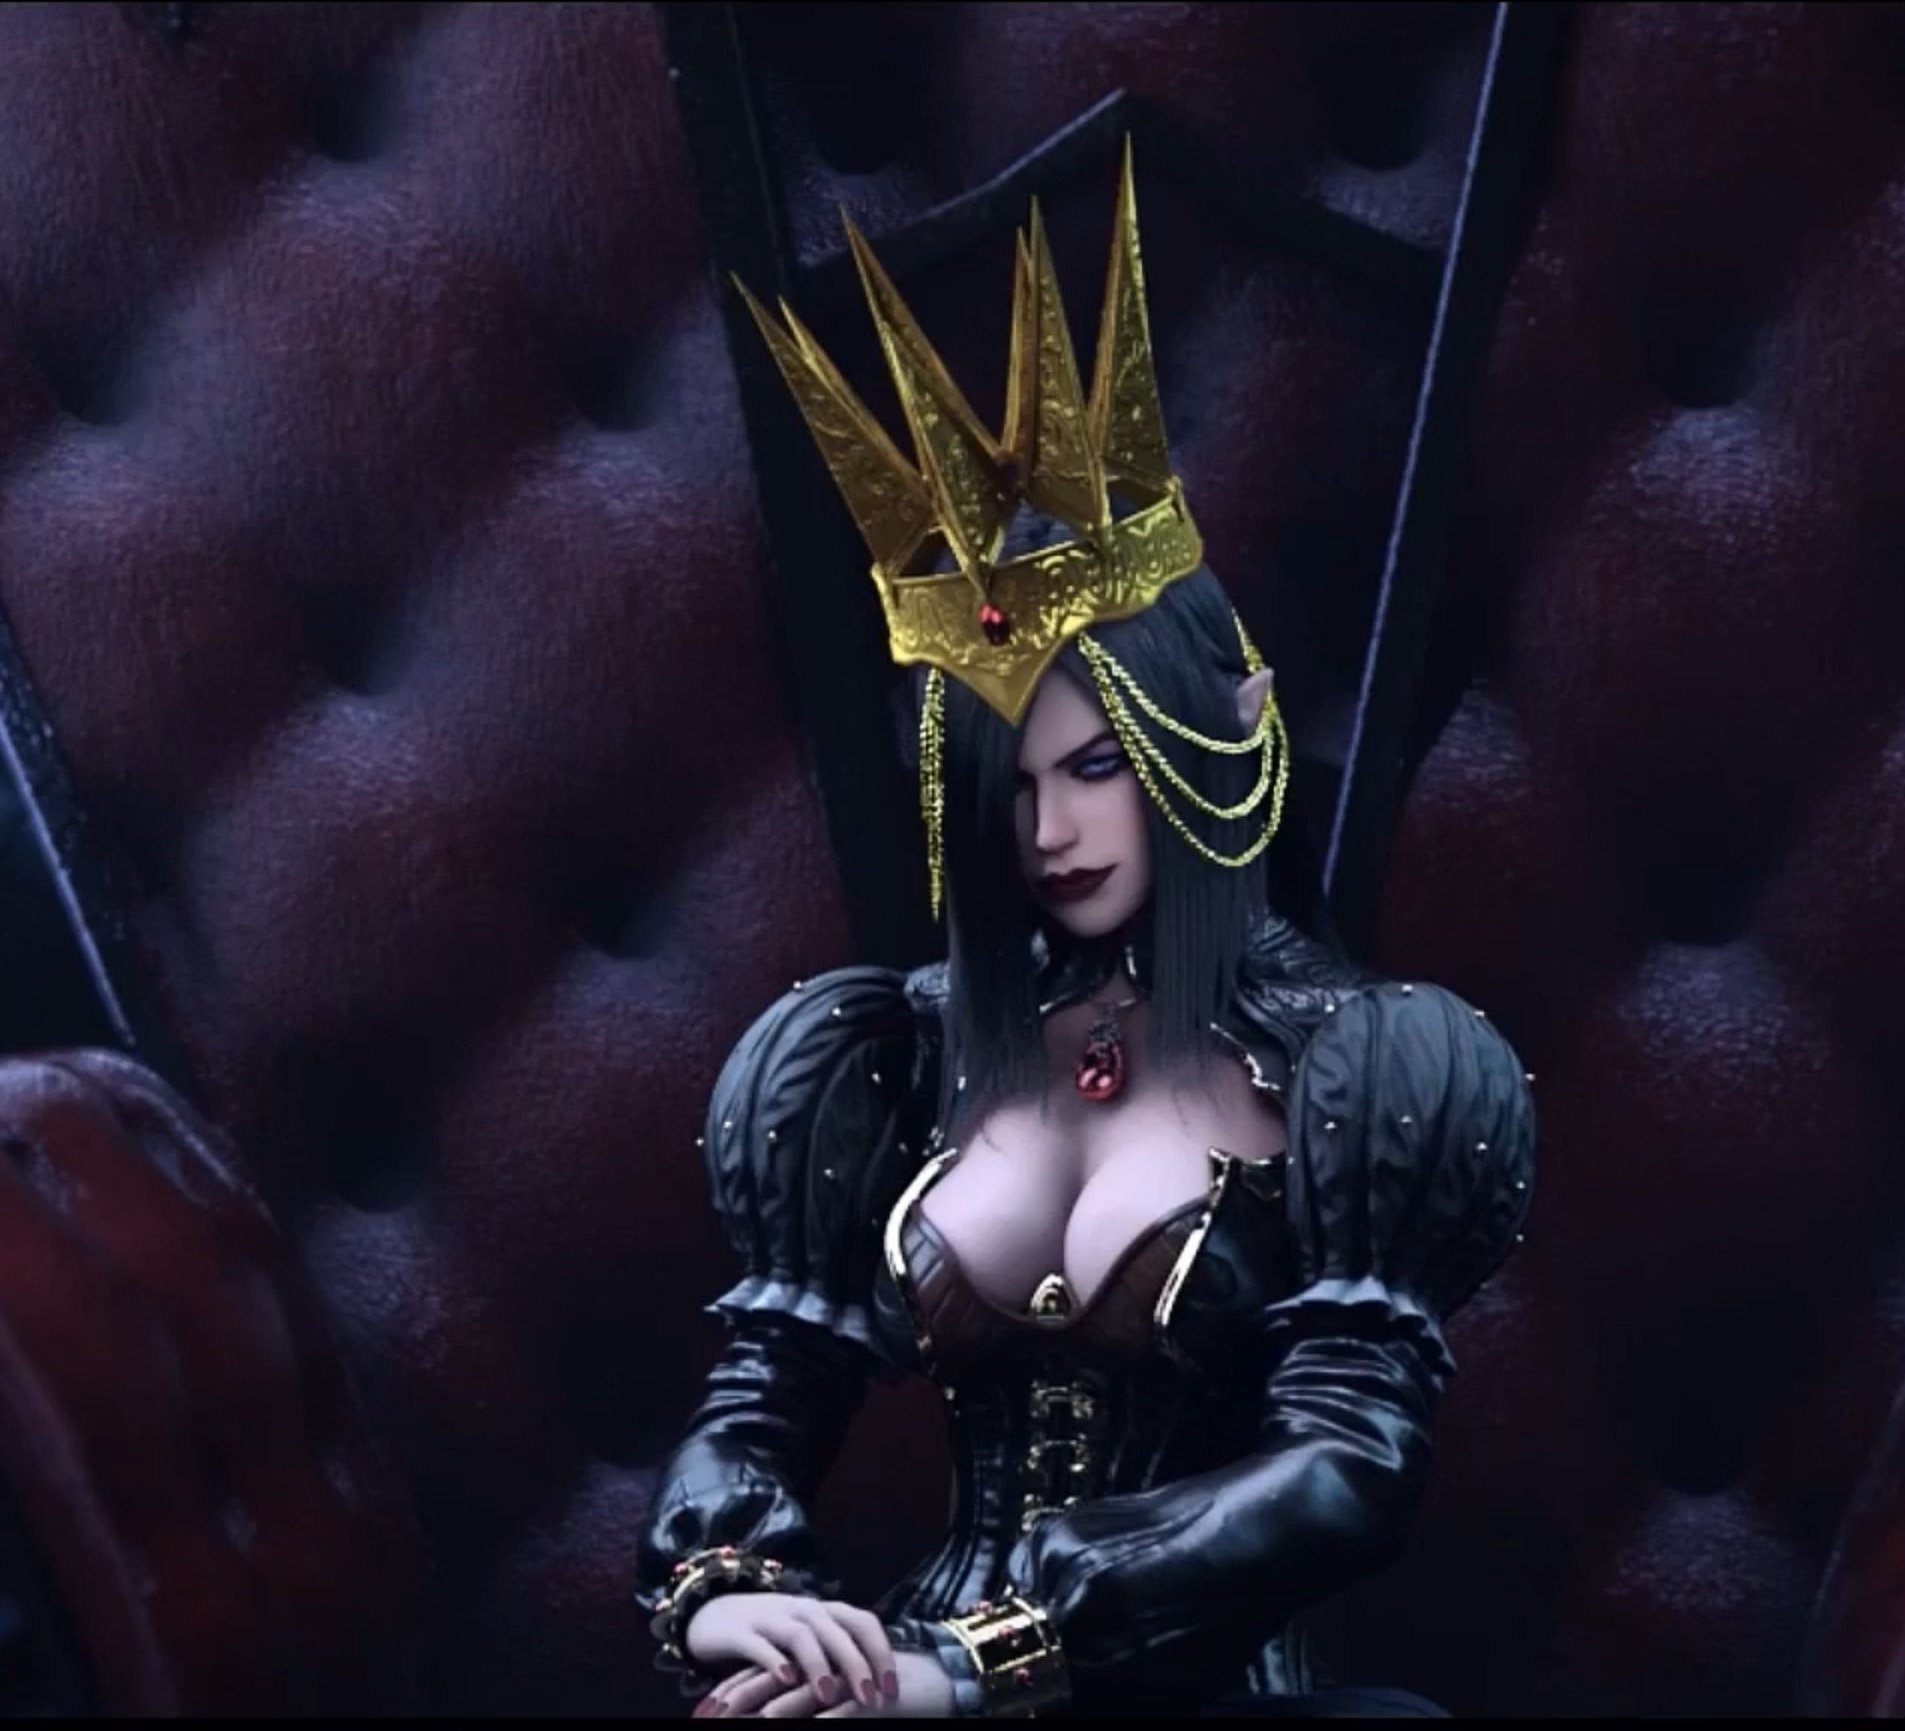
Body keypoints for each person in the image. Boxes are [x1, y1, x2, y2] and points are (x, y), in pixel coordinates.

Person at [636, 150, 1538, 1720]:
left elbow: (1347, 1471)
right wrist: (736, 1595)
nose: (1046, 830)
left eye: (1096, 768)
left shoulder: (1364, 1065)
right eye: (1011, 785)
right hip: (896, 1680)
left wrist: (970, 1668)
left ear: (1213, 733)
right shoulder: (890, 1050)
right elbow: (761, 1399)